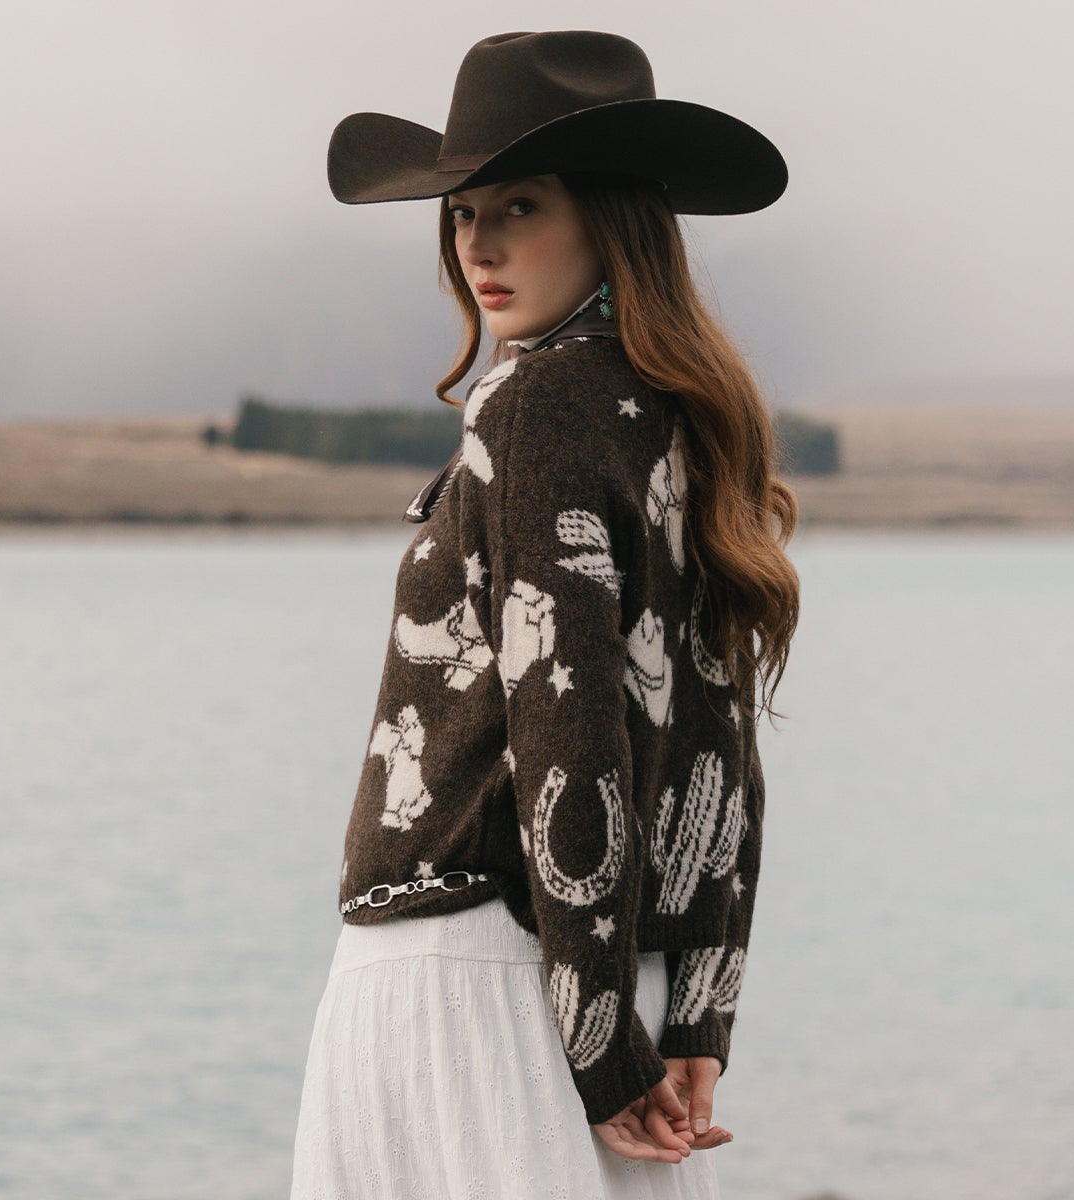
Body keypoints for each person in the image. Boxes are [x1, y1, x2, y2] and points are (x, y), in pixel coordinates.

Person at [289, 31, 804, 1198]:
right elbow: (721, 758)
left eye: (516, 205)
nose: (477, 243)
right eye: (462, 211)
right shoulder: (682, 419)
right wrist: (694, 1018)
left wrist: (593, 1036)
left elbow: (561, 726)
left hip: (467, 971)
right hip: (597, 978)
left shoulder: (531, 406)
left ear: (612, 218)